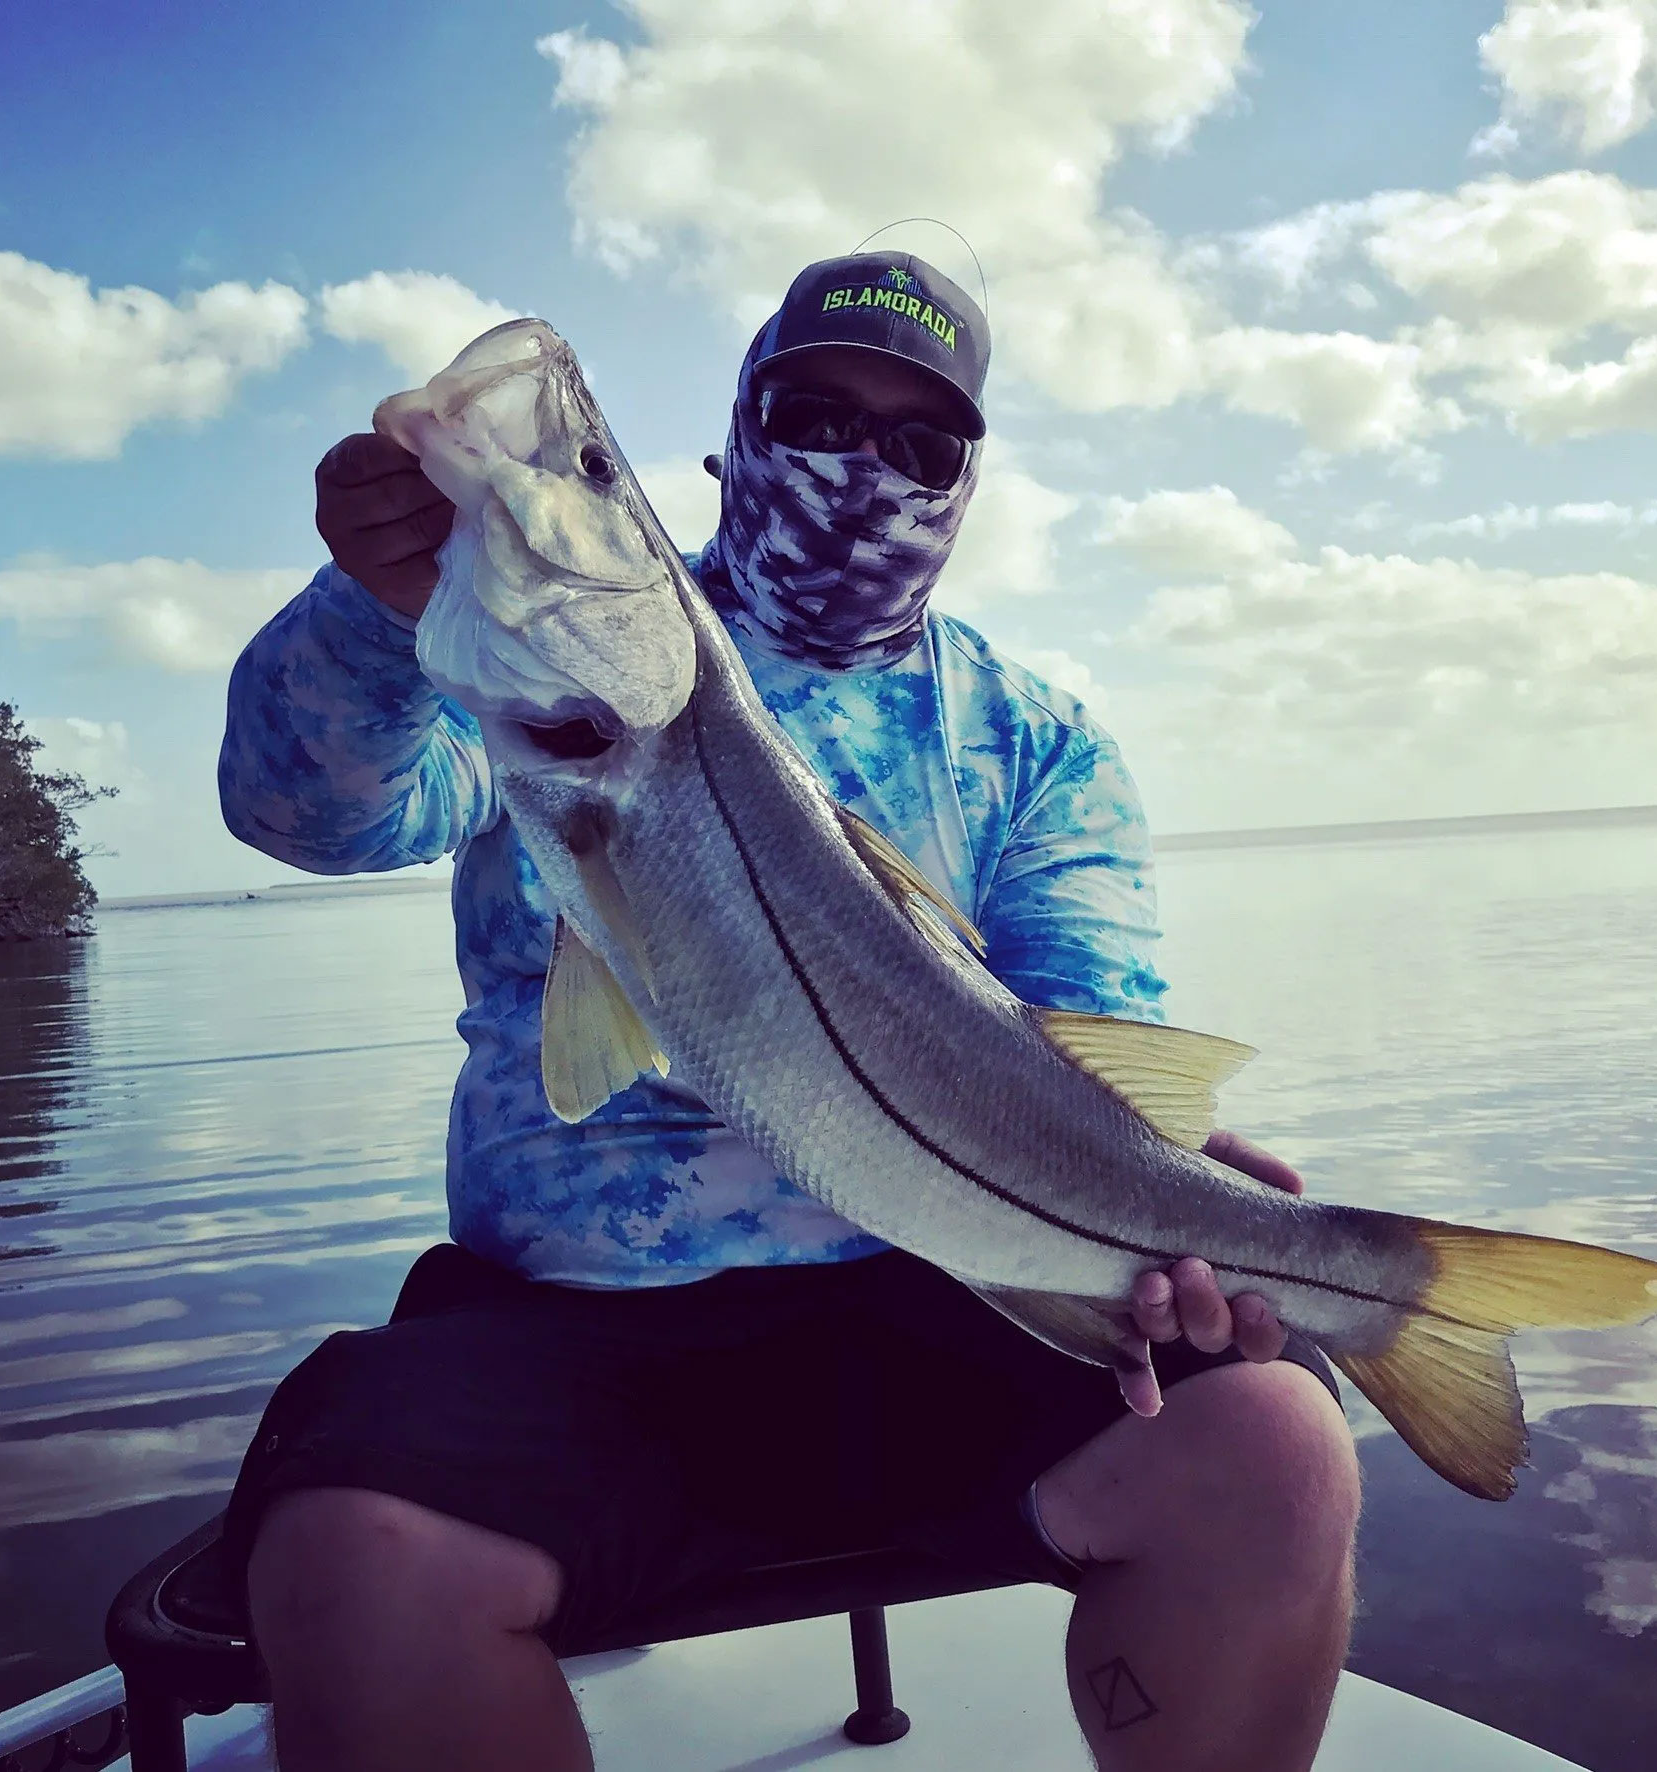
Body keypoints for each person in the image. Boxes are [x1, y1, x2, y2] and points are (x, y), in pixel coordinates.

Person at [217, 251, 1360, 1772]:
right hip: (570, 1327)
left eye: (915, 441)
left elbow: (1082, 1030)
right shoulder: (508, 664)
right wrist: (372, 611)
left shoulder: (1031, 740)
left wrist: (1169, 1190)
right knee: (353, 1544)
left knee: (1275, 1444)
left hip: (945, 1285)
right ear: (737, 433)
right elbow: (314, 819)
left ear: (966, 482)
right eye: (816, 411)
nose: (859, 463)